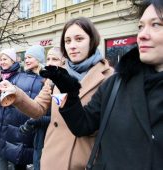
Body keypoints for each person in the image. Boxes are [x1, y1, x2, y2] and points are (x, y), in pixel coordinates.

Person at [42, 1, 162, 169]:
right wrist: (69, 93)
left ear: (92, 42)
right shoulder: (118, 82)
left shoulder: (108, 76)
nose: (142, 34)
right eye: (140, 26)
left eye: (156, 24)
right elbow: (84, 124)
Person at [0, 17, 113, 170]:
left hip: (85, 161)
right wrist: (16, 93)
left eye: (79, 39)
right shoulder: (57, 75)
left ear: (92, 40)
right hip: (53, 158)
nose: (72, 46)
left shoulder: (109, 76)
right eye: (68, 41)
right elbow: (38, 109)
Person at [0, 46, 45, 170]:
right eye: (26, 58)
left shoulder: (45, 80)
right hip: (13, 124)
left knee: (21, 160)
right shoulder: (20, 77)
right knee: (11, 157)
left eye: (30, 57)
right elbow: (6, 97)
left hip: (28, 125)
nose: (27, 60)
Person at [18, 47, 65, 170]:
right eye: (48, 59)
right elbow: (37, 107)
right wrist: (16, 96)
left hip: (58, 140)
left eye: (54, 59)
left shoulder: (66, 84)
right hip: (41, 136)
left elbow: (62, 119)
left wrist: (38, 120)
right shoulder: (49, 81)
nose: (49, 63)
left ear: (64, 62)